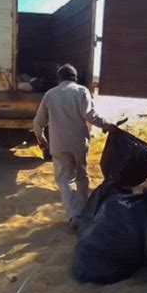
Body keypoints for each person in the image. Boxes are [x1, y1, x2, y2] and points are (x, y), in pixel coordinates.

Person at [33, 64, 117, 230]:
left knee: (65, 180)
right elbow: (90, 115)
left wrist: (42, 140)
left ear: (59, 78)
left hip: (58, 145)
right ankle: (86, 211)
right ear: (75, 78)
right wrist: (107, 125)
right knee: (81, 176)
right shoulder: (81, 91)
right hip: (79, 143)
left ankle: (74, 216)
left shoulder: (50, 94)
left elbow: (38, 122)